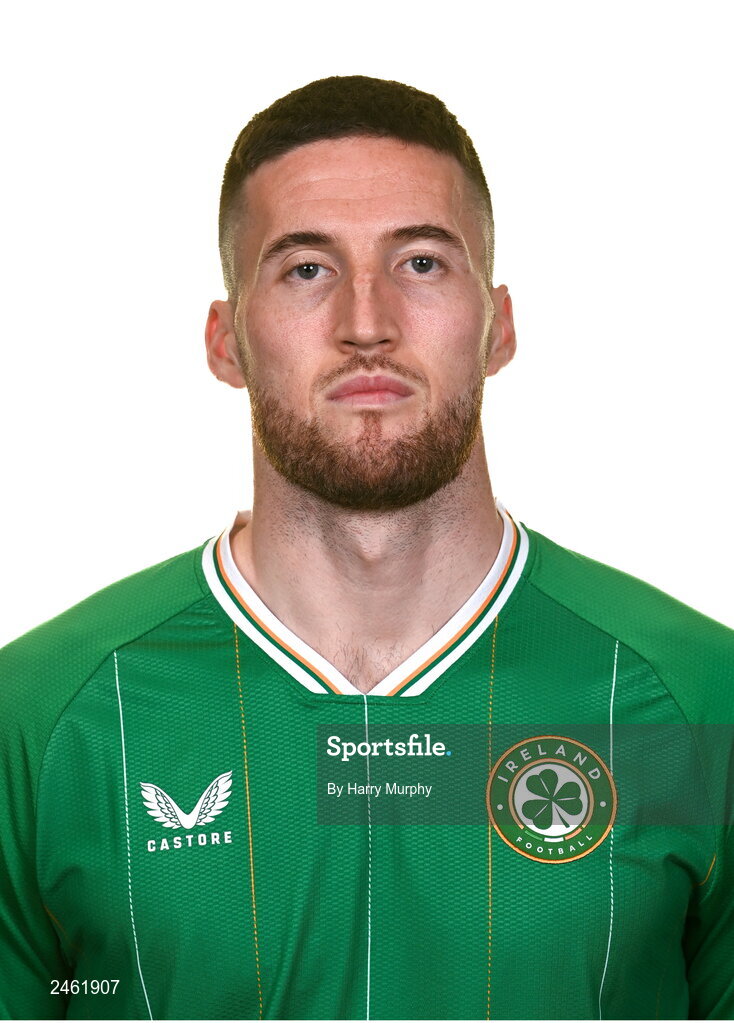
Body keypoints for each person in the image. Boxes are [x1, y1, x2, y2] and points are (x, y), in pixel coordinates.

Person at [0, 75, 732, 1022]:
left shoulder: (697, 698)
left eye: (421, 263)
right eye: (307, 269)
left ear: (498, 326)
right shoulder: (41, 717)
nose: (366, 324)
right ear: (226, 342)